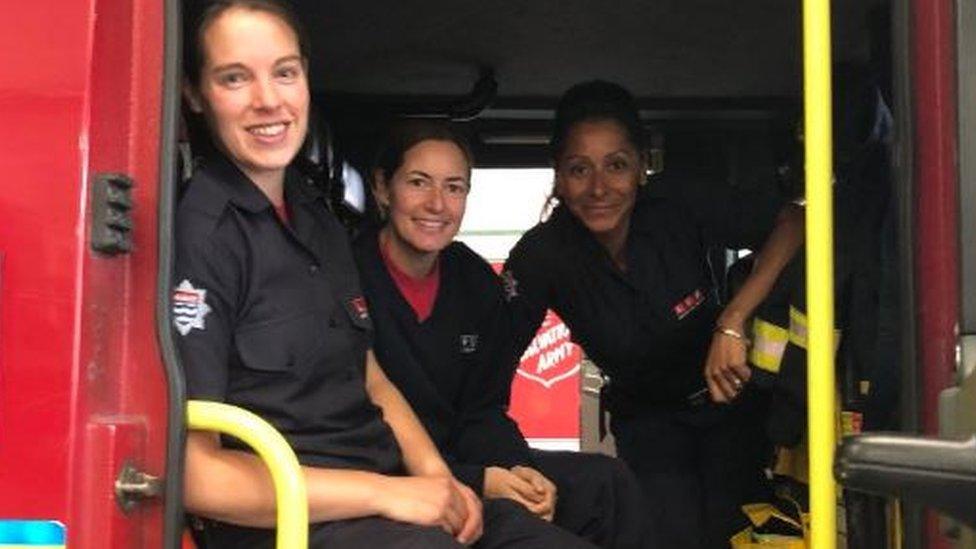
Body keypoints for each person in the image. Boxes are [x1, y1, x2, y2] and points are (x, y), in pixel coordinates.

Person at [173, 2, 600, 547]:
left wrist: (440, 482)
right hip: (295, 521)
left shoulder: (317, 223)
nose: (268, 100)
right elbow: (196, 476)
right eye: (234, 78)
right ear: (194, 94)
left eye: (285, 72)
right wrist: (386, 493)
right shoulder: (201, 235)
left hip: (381, 502)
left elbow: (370, 376)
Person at [501, 81, 805, 548]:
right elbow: (494, 354)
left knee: (744, 533)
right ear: (559, 176)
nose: (599, 188)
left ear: (642, 166)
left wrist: (734, 320)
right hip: (648, 424)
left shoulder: (677, 203)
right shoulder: (543, 255)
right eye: (579, 169)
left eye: (617, 165)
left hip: (730, 409)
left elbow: (793, 221)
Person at [352, 120, 651, 549]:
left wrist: (515, 469)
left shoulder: (472, 279)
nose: (437, 203)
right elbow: (348, 424)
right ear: (383, 188)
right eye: (419, 183)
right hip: (388, 481)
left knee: (606, 484)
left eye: (454, 188)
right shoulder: (346, 276)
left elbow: (483, 409)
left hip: (470, 466)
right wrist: (477, 479)